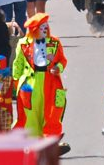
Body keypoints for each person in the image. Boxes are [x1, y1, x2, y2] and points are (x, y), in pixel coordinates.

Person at [13, 13, 68, 143]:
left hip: (50, 81)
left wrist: (57, 67)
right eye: (42, 27)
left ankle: (51, 140)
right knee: (30, 114)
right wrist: (17, 84)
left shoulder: (55, 42)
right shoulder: (23, 43)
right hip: (30, 83)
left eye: (46, 26)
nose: (46, 29)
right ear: (34, 29)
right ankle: (30, 141)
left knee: (52, 112)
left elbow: (63, 60)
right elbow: (18, 65)